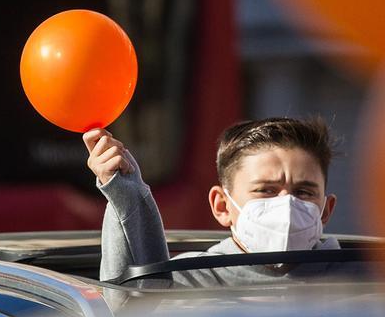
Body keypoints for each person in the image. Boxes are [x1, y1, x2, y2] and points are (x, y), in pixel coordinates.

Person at [85, 116, 351, 287]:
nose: (287, 205)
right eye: (266, 191)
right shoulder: (189, 281)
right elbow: (127, 310)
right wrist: (125, 191)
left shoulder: (367, 282)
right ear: (222, 206)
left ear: (325, 211)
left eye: (304, 192)